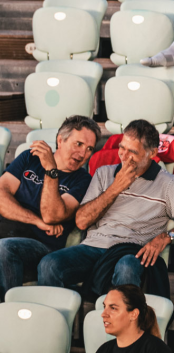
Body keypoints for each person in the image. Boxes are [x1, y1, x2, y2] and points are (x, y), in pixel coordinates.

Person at [37, 120, 174, 297]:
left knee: (126, 267)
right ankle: (60, 321)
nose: (123, 156)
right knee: (49, 264)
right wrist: (115, 188)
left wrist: (166, 237)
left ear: (152, 153)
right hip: (94, 246)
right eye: (122, 148)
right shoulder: (104, 173)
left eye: (132, 152)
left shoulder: (169, 184)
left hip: (134, 249)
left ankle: (123, 321)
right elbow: (81, 221)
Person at [0, 116, 100, 297]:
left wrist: (51, 171)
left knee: (5, 249)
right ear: (60, 140)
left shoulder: (83, 180)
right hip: (8, 230)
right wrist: (36, 221)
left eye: (89, 149)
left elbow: (52, 216)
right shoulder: (29, 158)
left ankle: (10, 311)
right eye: (78, 144)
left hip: (42, 246)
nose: (82, 154)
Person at [96, 285, 171, 353]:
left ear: (134, 314)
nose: (103, 314)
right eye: (104, 307)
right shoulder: (104, 349)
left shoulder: (156, 349)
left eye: (113, 308)